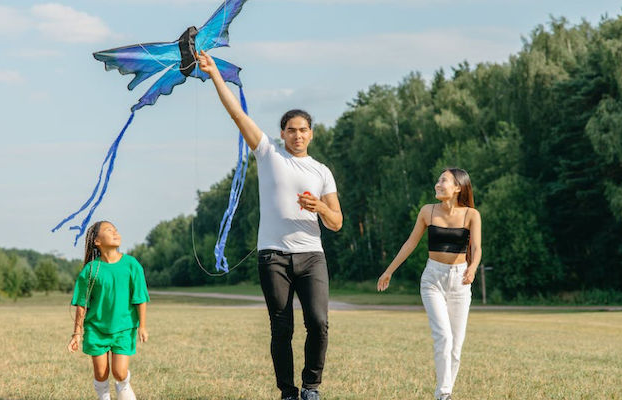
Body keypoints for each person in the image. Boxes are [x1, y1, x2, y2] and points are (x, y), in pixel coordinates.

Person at [198, 50, 343, 400]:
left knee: (319, 323)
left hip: (311, 256)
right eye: (291, 130)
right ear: (282, 133)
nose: (297, 135)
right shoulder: (268, 153)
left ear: (311, 134)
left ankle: (311, 387)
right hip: (273, 258)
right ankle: (288, 392)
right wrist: (215, 74)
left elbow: (337, 223)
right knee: (281, 328)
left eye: (303, 130)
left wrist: (321, 206)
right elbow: (237, 113)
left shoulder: (322, 171)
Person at [377, 168, 482, 400]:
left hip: (460, 281)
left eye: (443, 180)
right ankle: (443, 394)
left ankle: (447, 391)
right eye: (438, 180)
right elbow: (410, 244)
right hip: (433, 279)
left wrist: (472, 268)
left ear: (458, 187)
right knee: (443, 336)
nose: (437, 184)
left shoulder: (471, 215)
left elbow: (477, 248)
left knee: (456, 346)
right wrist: (389, 271)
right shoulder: (427, 211)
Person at [67, 221, 150, 400]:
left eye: (116, 230)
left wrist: (142, 326)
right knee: (101, 373)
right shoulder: (91, 270)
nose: (115, 232)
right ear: (97, 241)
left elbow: (140, 298)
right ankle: (104, 396)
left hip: (124, 328)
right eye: (109, 230)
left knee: (120, 373)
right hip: (96, 329)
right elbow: (82, 304)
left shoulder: (131, 265)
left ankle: (124, 387)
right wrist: (76, 334)